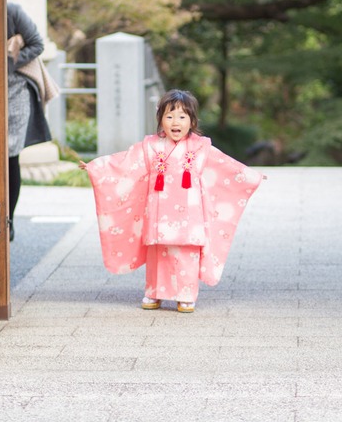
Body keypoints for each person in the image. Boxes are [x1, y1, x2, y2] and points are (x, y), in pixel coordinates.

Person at [79, 89, 263, 313]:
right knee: (158, 253)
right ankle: (154, 292)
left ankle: (185, 294)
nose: (175, 122)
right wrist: (96, 167)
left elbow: (224, 166)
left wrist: (249, 176)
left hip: (189, 214)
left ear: (192, 121)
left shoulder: (201, 148)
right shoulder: (151, 146)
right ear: (160, 120)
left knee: (186, 253)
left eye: (182, 116)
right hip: (159, 212)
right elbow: (125, 163)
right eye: (169, 116)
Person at [5, 3, 53, 241]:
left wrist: (6, 62)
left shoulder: (11, 10)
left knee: (10, 154)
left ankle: (9, 220)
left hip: (15, 89)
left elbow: (37, 44)